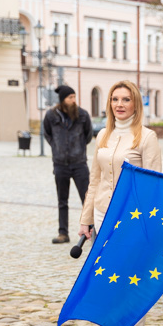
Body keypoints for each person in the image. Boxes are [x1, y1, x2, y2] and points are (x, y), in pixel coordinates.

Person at [78, 80, 162, 326]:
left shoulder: (146, 137)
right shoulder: (103, 135)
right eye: (115, 99)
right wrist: (86, 218)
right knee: (111, 275)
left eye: (126, 99)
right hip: (103, 213)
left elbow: (154, 184)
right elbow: (94, 179)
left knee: (131, 275)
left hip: (132, 217)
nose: (120, 105)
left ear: (135, 104)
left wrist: (147, 223)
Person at [43, 85, 93, 244]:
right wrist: (58, 148)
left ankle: (92, 231)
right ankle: (63, 233)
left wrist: (77, 149)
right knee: (62, 200)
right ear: (62, 99)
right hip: (60, 164)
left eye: (74, 97)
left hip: (79, 163)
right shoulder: (51, 115)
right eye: (70, 97)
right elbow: (48, 134)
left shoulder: (83, 115)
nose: (73, 100)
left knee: (87, 199)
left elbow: (88, 135)